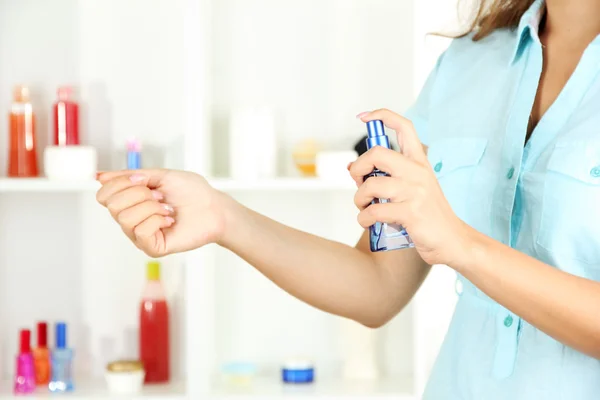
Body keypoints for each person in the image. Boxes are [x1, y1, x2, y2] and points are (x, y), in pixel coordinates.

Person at [96, 0, 600, 398]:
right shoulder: (470, 61)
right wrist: (223, 217)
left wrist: (461, 244)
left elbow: (453, 241)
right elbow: (377, 285)